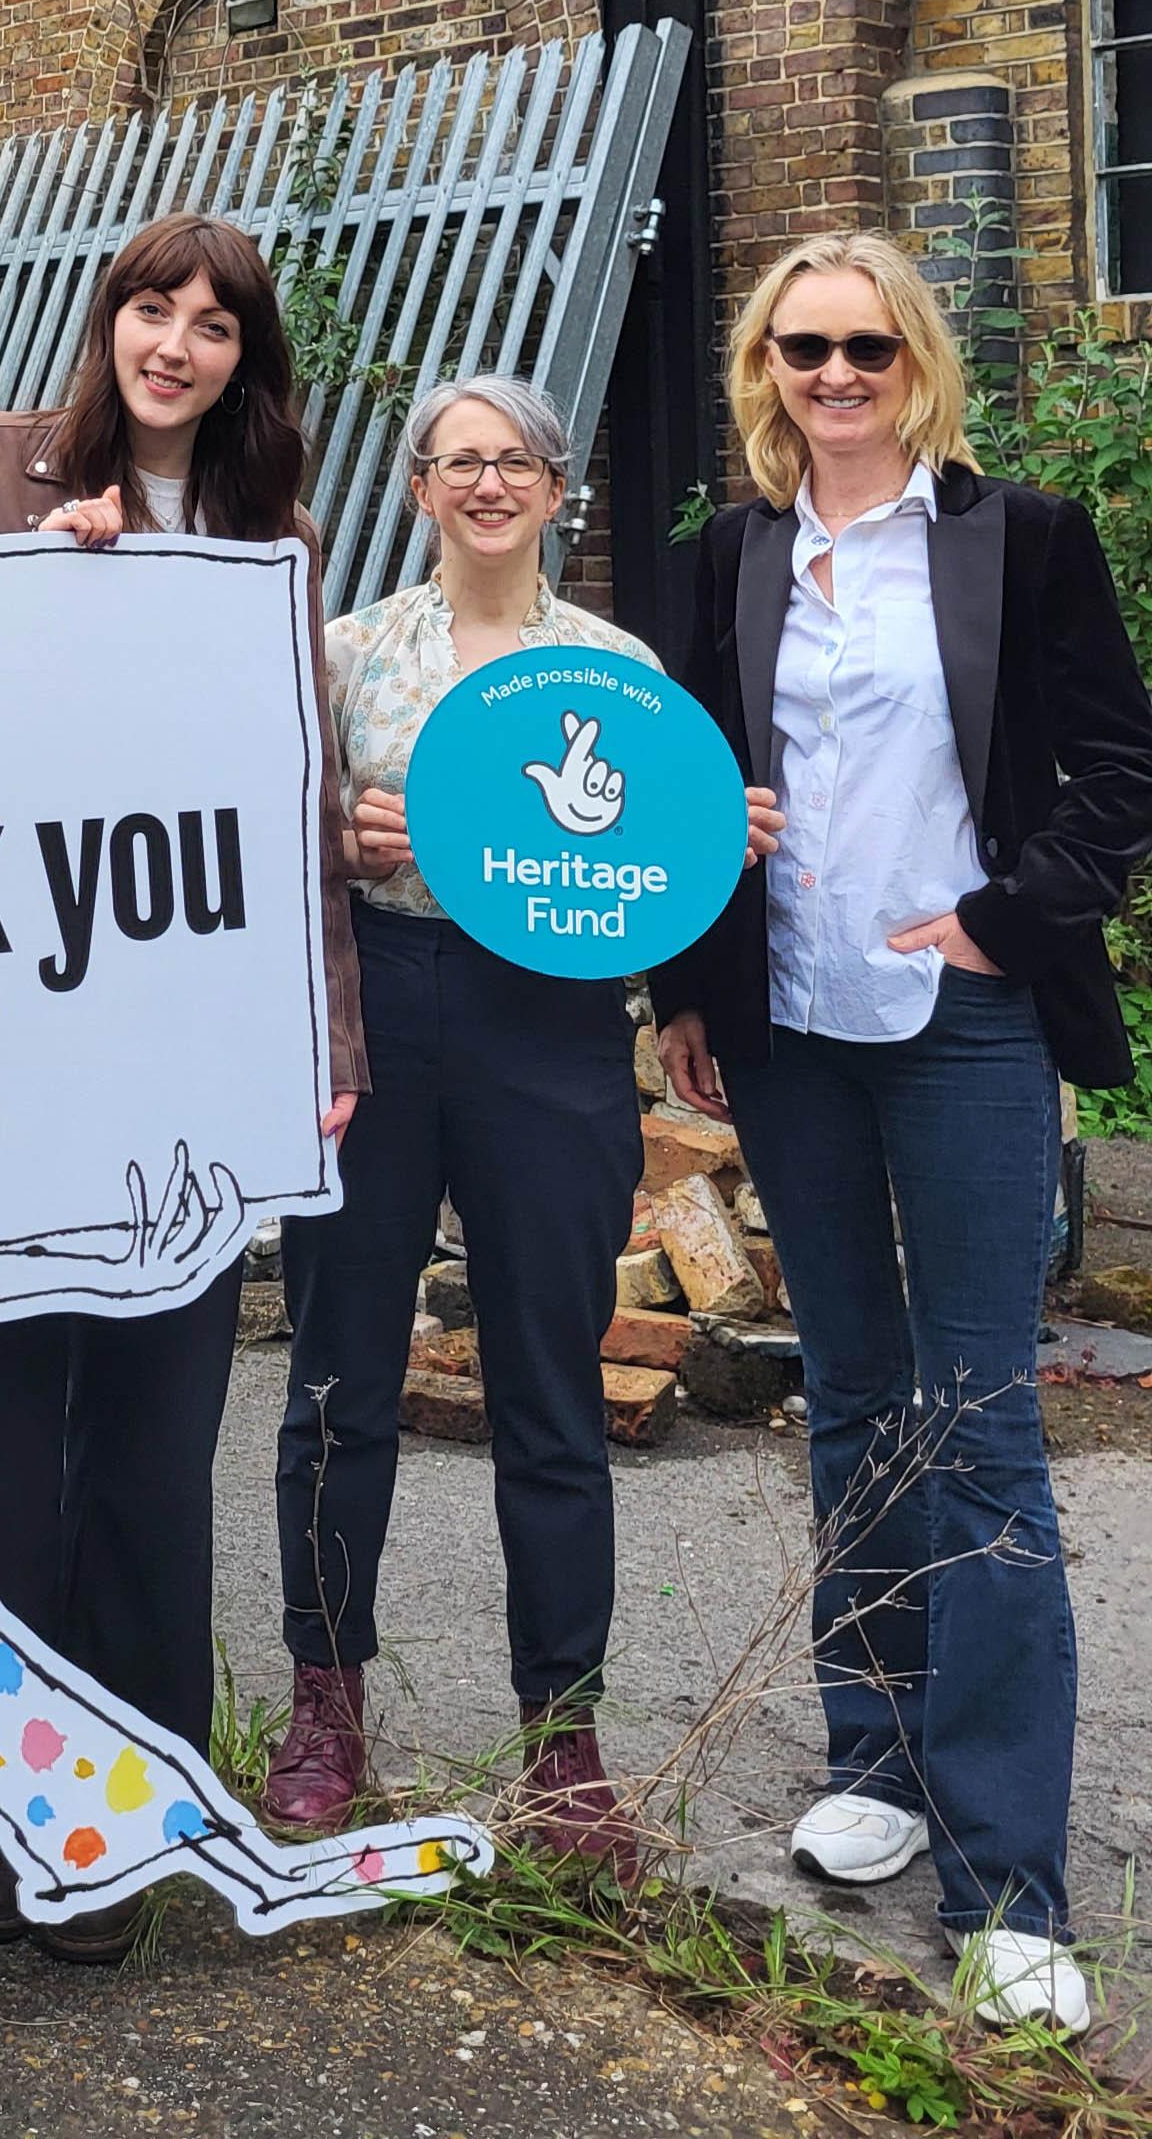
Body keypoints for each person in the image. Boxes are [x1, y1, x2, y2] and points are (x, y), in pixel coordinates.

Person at [655, 230, 1152, 2039]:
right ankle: (876, 1746)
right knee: (855, 1394)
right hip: (788, 1030)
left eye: (868, 346)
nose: (838, 375)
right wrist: (695, 972)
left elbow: (1120, 763)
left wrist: (1006, 917)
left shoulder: (1012, 538)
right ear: (766, 369)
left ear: (916, 359)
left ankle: (1010, 1873)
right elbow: (679, 782)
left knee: (984, 1424)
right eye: (805, 348)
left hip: (960, 1028)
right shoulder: (733, 556)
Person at [0, 210, 367, 1962]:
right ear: (105, 322)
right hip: (0, 1050)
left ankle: (120, 1808)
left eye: (215, 327)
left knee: (158, 1439)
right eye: (152, 312)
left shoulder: (275, 541)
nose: (176, 347)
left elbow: (297, 820)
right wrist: (45, 584)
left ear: (247, 362)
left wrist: (327, 1042)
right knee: (2, 1434)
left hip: (187, 1062)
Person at [262, 375, 784, 1862]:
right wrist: (335, 834)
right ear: (421, 486)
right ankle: (325, 1705)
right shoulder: (349, 652)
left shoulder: (616, 671)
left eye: (517, 463)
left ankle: (566, 1750)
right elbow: (263, 831)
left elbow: (658, 854)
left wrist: (715, 833)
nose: (487, 484)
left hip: (549, 1027)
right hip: (382, 1006)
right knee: (338, 1379)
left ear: (558, 491)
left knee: (551, 1390)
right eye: (458, 461)